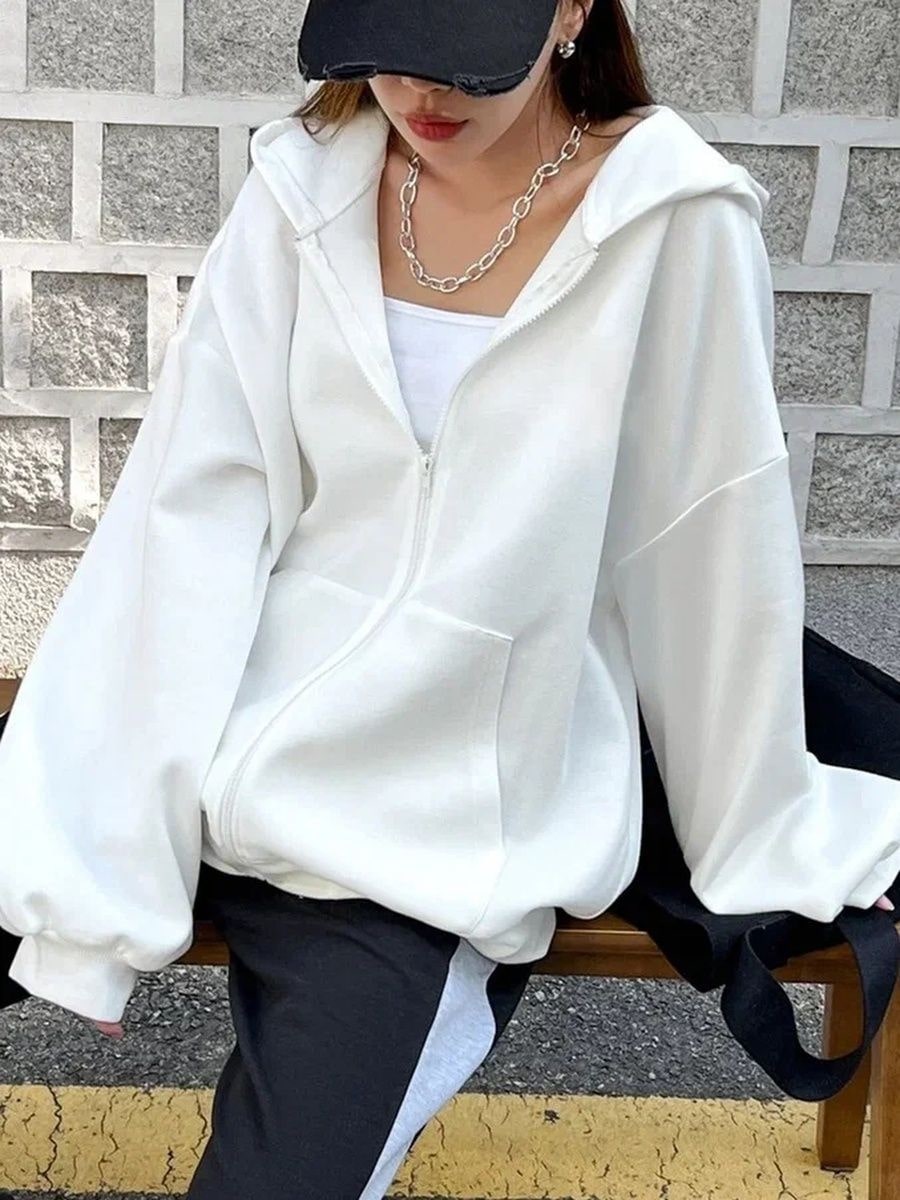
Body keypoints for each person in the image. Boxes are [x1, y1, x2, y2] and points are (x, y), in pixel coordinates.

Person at [1, 0, 899, 1195]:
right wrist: (97, 881)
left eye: (465, 58)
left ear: (571, 8)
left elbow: (709, 551)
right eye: (387, 49)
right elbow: (186, 516)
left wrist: (757, 824)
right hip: (222, 727)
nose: (420, 93)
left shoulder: (673, 221)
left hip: (426, 836)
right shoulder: (304, 188)